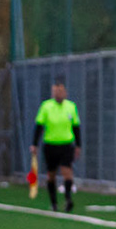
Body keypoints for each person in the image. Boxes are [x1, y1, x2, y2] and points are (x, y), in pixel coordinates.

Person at [32, 79, 80, 212]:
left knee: (67, 172)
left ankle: (68, 199)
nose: (58, 93)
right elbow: (39, 126)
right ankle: (54, 202)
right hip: (50, 145)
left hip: (66, 145)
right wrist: (34, 144)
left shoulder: (71, 106)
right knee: (51, 175)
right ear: (53, 92)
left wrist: (78, 145)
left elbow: (76, 127)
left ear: (65, 92)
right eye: (56, 91)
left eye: (61, 91)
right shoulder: (46, 106)